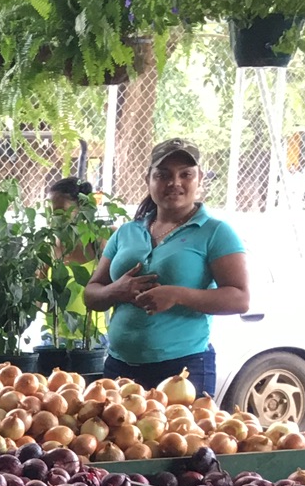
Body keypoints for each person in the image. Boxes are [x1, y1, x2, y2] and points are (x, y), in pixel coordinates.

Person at [84, 139, 250, 398]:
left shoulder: (215, 232)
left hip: (182, 371)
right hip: (118, 366)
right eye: (163, 175)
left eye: (186, 174)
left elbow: (240, 299)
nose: (175, 183)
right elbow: (91, 293)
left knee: (177, 439)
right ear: (148, 178)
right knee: (115, 439)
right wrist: (116, 291)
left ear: (200, 179)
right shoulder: (127, 232)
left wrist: (177, 295)